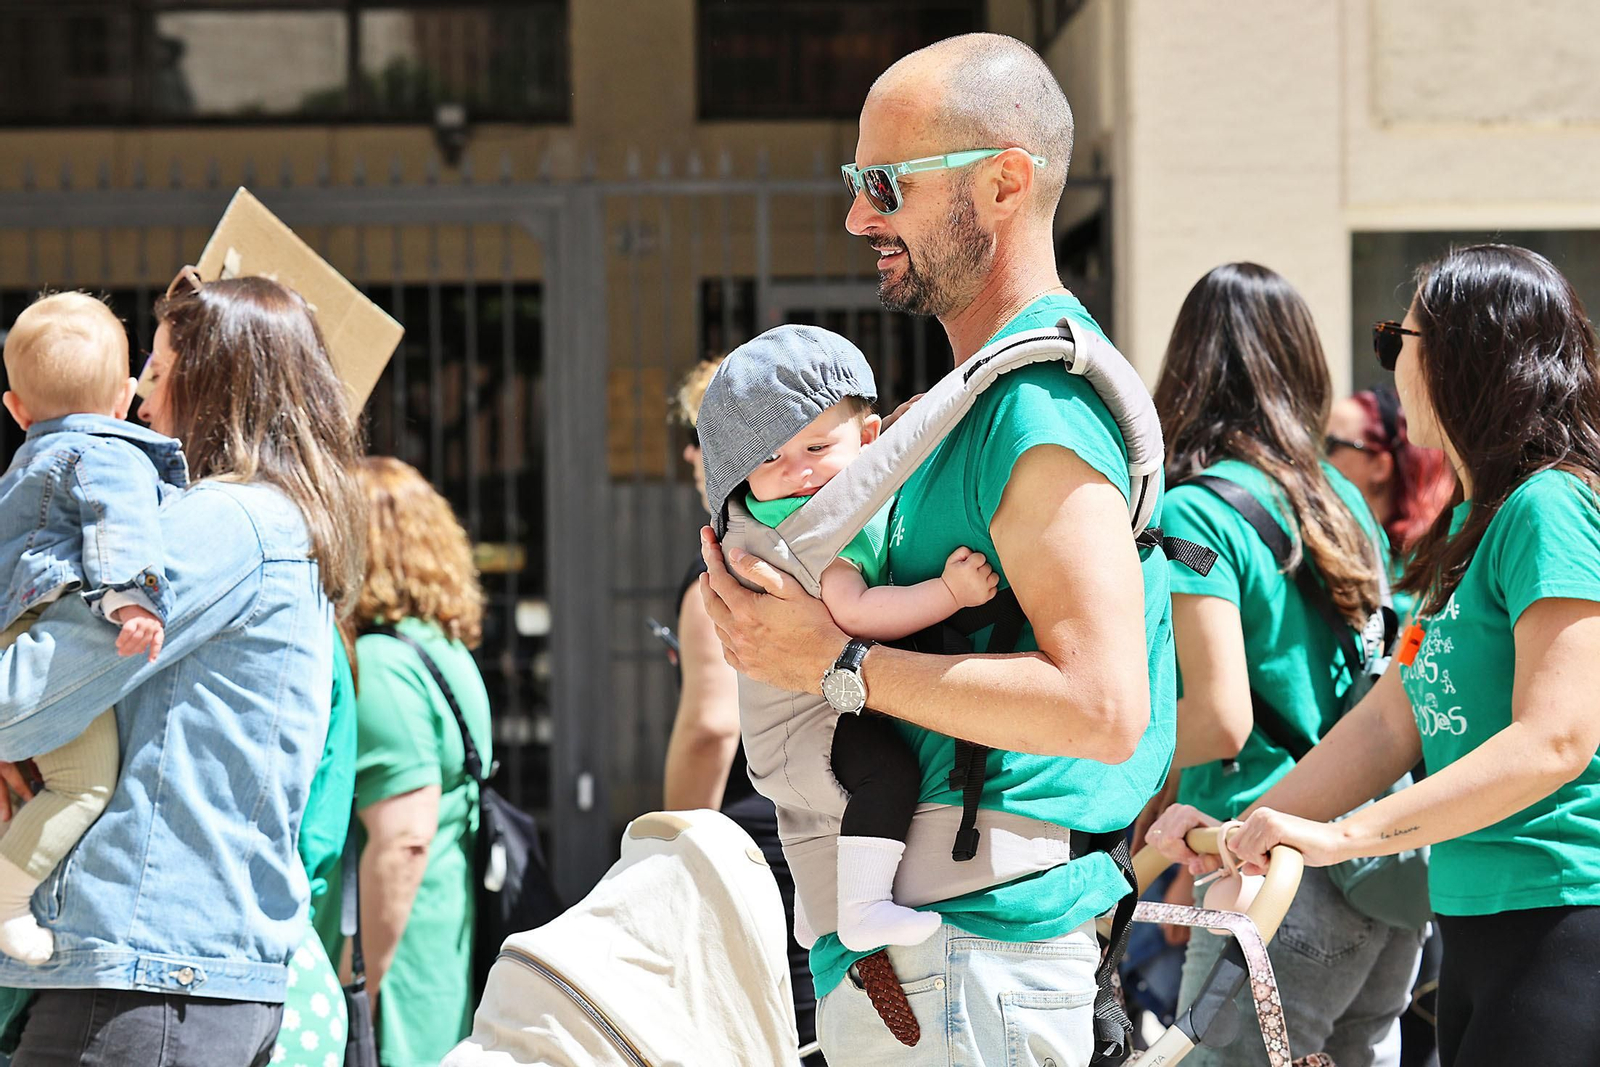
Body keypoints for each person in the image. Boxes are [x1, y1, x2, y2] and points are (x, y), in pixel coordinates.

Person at [699, 32, 1173, 1065]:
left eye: (884, 183)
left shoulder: (1035, 411)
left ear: (1003, 182)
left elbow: (1102, 705)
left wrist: (838, 667)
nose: (858, 214)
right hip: (951, 957)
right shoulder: (976, 407)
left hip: (975, 956)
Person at [1150, 244, 1600, 1067]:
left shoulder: (1550, 507)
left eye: (1403, 338)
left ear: (1466, 353)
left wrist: (1346, 836)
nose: (1389, 362)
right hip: (1472, 915)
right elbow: (1389, 721)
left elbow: (1556, 740)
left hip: (1563, 915)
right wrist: (1247, 826)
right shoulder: (1474, 524)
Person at [0, 270, 365, 1066]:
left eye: (158, 372)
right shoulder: (274, 517)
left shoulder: (220, 522)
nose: (136, 400)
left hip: (152, 971)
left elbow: (23, 700)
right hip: (183, 969)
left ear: (210, 383)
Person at [1149, 263, 1423, 1067]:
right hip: (1378, 866)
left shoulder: (1194, 512)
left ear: (1189, 364)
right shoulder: (1339, 496)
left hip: (1266, 869)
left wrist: (1105, 747)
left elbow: (1221, 716)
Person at [698, 324, 999, 953]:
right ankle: (862, 907)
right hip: (812, 721)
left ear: (867, 438)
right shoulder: (807, 529)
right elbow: (856, 612)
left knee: (813, 817)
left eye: (814, 448)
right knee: (887, 778)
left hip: (787, 729)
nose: (798, 473)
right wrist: (949, 594)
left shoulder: (783, 512)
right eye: (769, 460)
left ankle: (819, 909)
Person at [0, 293, 179, 965]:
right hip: (50, 628)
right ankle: (8, 898)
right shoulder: (107, 451)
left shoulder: (25, 464)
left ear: (17, 410)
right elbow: (119, 523)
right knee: (84, 784)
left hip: (14, 627)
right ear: (124, 397)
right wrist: (133, 600)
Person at [660, 356, 827, 1066]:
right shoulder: (829, 546)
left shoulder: (727, 565)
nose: (692, 455)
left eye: (702, 438)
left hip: (759, 837)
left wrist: (674, 851)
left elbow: (710, 726)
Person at [334, 457, 492, 1067]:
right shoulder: (443, 648)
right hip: (439, 932)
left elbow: (402, 841)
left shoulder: (382, 662)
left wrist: (360, 991)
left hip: (393, 950)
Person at [1326, 387, 1454, 623]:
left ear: (1380, 467)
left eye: (1330, 445)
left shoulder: (1431, 564)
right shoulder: (1332, 545)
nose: (1317, 460)